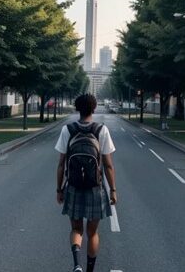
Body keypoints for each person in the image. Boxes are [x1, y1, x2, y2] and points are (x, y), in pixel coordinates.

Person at [55, 94, 117, 272]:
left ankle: (77, 264)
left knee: (76, 229)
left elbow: (61, 164)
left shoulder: (68, 130)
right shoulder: (101, 130)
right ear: (94, 108)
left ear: (77, 108)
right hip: (94, 189)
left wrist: (59, 189)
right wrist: (112, 190)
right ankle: (90, 269)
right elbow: (108, 165)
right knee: (93, 233)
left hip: (73, 187)